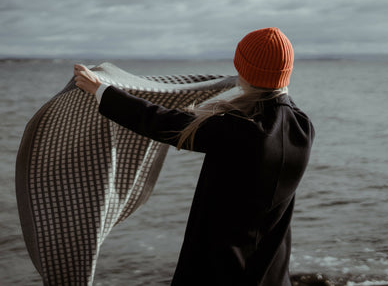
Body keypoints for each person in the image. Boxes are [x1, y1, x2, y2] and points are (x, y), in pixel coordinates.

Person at [74, 27, 315, 286]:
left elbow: (162, 122)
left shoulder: (241, 131)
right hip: (271, 273)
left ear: (243, 70)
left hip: (223, 272)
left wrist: (102, 91)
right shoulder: (302, 126)